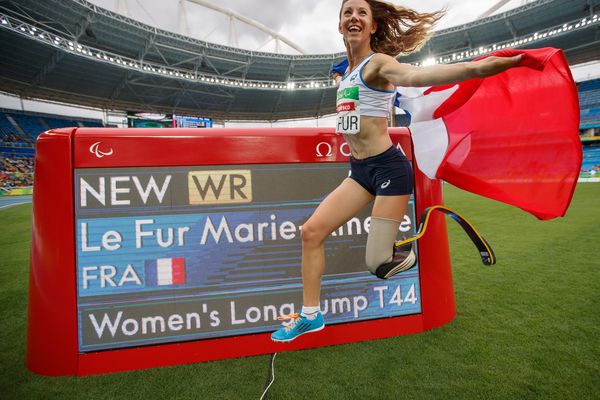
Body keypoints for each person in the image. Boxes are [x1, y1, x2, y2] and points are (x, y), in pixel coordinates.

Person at [271, 0, 522, 343]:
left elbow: (416, 76)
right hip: (359, 172)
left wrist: (476, 70)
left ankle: (402, 247)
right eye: (348, 12)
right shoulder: (346, 74)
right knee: (311, 233)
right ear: (340, 25)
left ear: (373, 26)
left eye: (362, 12)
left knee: (377, 265)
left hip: (389, 169)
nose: (354, 17)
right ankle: (311, 316)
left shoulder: (379, 65)